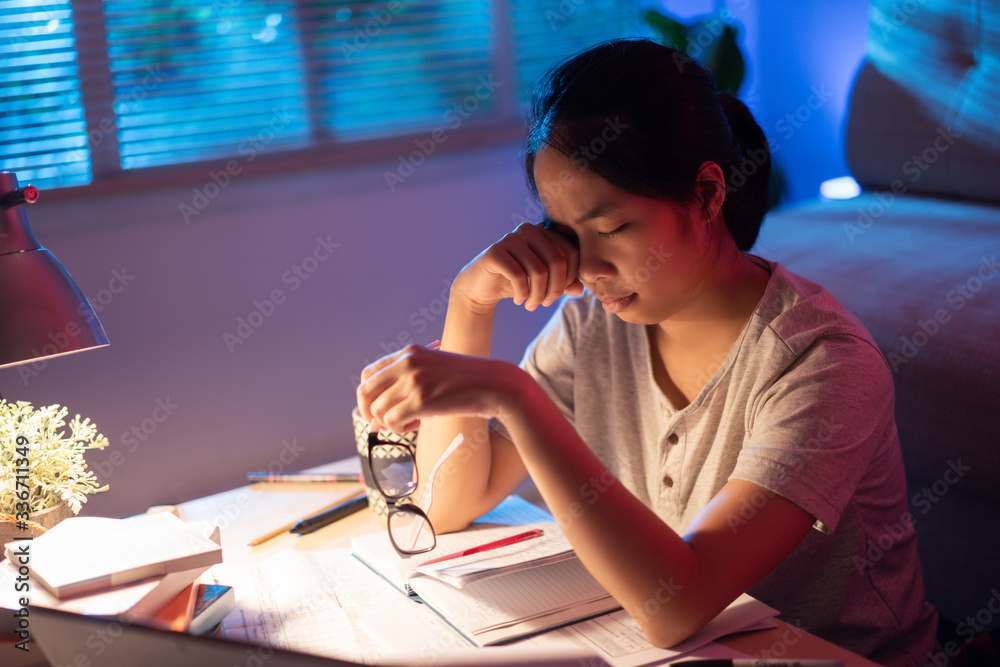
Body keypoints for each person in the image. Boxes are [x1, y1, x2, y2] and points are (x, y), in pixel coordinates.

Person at [356, 38, 938, 665]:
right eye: (566, 234)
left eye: (611, 229)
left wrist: (515, 395)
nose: (591, 268)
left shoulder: (824, 363)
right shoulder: (591, 329)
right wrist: (468, 306)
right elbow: (446, 505)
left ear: (710, 193)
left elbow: (677, 607)